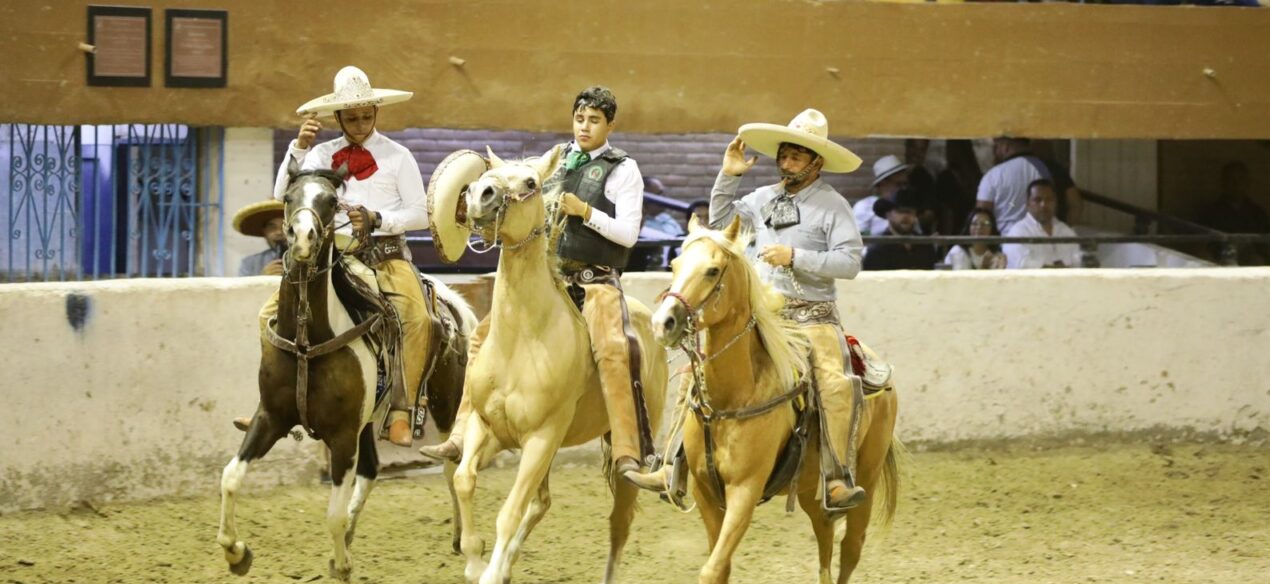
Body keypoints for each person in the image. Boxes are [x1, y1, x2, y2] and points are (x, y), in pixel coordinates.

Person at [632, 108, 870, 509]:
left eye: (798, 155)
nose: (787, 160)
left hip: (812, 316)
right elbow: (721, 223)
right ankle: (672, 462)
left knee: (834, 381)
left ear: (817, 163)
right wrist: (729, 175)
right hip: (760, 316)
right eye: (785, 153)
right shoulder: (761, 199)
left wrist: (796, 255)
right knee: (696, 371)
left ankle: (836, 477)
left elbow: (850, 262)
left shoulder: (834, 206)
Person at [421, 86, 657, 489]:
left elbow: (629, 234)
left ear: (610, 125)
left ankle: (629, 452)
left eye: (594, 120)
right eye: (580, 118)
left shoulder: (623, 169)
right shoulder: (554, 162)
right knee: (482, 335)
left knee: (617, 348)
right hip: (549, 278)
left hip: (595, 281)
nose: (584, 127)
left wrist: (586, 212)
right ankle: (462, 431)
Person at [238, 65, 430, 447]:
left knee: (417, 317)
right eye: (352, 117)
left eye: (366, 116)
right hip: (329, 256)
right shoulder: (320, 154)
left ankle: (401, 409)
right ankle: (272, 404)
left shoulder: (398, 156)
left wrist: (377, 218)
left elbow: (421, 214)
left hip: (383, 255)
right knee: (268, 316)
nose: (360, 124)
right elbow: (283, 195)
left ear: (376, 112)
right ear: (337, 116)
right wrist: (300, 148)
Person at [1196, 161, 1270, 265]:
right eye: (1231, 180)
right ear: (1223, 183)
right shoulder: (1210, 212)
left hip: (1250, 263)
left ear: (1247, 183)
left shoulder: (1257, 213)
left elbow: (1268, 245)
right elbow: (1201, 246)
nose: (1236, 184)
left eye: (1240, 180)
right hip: (1219, 262)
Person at [976, 137, 1055, 234]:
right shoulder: (1042, 170)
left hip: (1002, 240)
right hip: (1036, 239)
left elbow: (981, 213)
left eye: (997, 147)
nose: (995, 152)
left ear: (1005, 147)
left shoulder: (993, 175)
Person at [1004, 179, 1081, 269]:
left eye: (1049, 199)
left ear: (1055, 202)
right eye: (1037, 200)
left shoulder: (1066, 232)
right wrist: (1060, 271)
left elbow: (1080, 264)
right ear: (1028, 204)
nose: (1043, 204)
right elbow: (1024, 266)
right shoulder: (1017, 233)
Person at [863, 188, 939, 271]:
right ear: (888, 214)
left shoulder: (925, 246)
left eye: (910, 212)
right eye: (900, 211)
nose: (906, 216)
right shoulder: (877, 249)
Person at [852, 155, 911, 236]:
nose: (903, 188)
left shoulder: (907, 205)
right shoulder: (865, 206)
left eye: (905, 184)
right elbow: (857, 240)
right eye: (899, 184)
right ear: (883, 184)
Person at [233, 200, 286, 276]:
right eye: (272, 227)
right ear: (264, 232)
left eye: (284, 226)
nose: (279, 232)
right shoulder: (249, 263)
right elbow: (242, 288)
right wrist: (262, 278)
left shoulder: (307, 262)